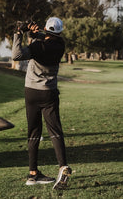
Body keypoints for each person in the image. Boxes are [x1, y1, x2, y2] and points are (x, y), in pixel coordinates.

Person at [11, 17, 72, 189]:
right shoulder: (60, 45)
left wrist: (19, 33)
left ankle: (32, 174)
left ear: (46, 27)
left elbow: (17, 55)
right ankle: (63, 166)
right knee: (55, 131)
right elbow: (43, 42)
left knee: (34, 131)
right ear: (59, 31)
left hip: (31, 92)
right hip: (49, 93)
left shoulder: (38, 46)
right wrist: (34, 33)